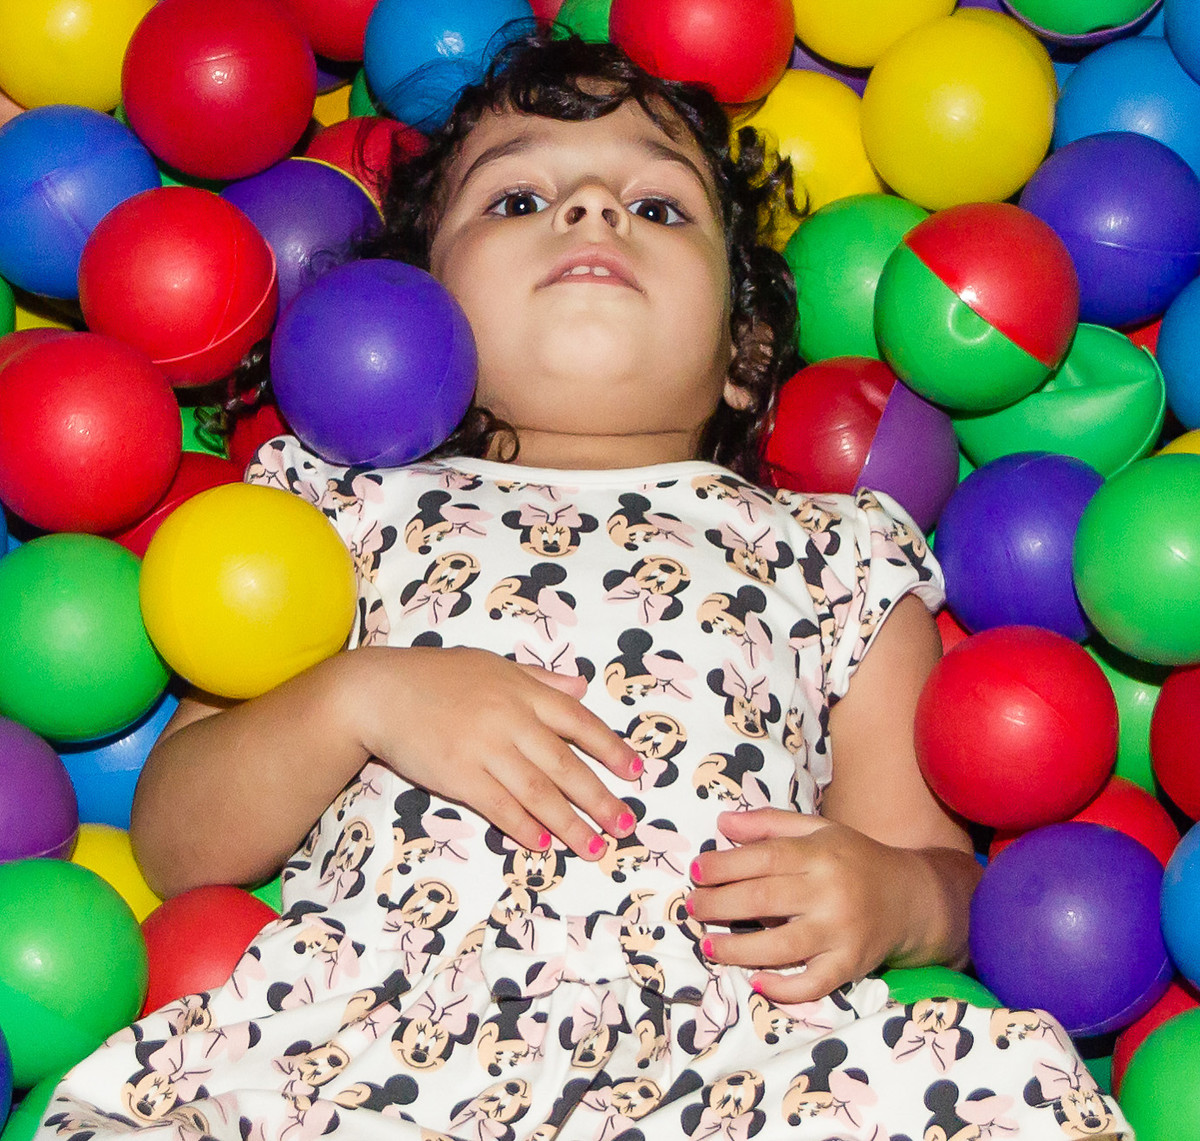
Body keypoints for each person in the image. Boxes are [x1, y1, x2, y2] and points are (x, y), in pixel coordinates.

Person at [36, 32, 1128, 1141]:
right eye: (517, 200)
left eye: (657, 208)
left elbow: (938, 871)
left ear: (747, 348)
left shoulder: (833, 550)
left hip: (748, 1066)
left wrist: (891, 902)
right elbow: (177, 841)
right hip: (375, 1051)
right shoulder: (333, 513)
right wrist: (361, 699)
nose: (592, 210)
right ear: (418, 313)